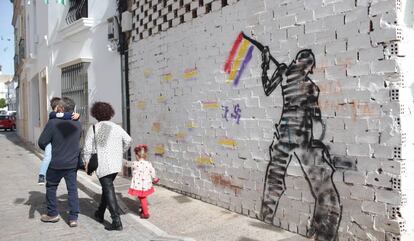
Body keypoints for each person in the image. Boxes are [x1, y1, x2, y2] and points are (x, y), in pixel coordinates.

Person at [83, 101, 131, 231]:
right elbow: (128, 140)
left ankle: (116, 220)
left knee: (108, 188)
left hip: (104, 164)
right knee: (107, 187)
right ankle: (99, 213)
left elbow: (88, 148)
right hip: (115, 164)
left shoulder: (96, 128)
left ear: (95, 114)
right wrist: (120, 151)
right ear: (110, 113)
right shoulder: (116, 127)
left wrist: (86, 162)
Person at [38, 97, 82, 227]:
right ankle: (73, 218)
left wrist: (50, 147)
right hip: (72, 163)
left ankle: (52, 214)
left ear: (61, 109)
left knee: (51, 187)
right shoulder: (78, 124)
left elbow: (42, 142)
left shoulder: (52, 123)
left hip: (56, 163)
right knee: (72, 190)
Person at [38, 97, 80, 185]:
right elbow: (64, 115)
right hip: (69, 161)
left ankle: (42, 175)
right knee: (47, 156)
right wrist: (75, 115)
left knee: (52, 187)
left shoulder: (57, 119)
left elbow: (41, 142)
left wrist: (76, 116)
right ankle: (41, 174)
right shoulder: (54, 115)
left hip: (57, 158)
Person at [127, 144, 159, 219]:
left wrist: (120, 160)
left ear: (137, 155)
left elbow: (127, 164)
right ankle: (143, 207)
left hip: (139, 185)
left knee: (142, 198)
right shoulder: (148, 163)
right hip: (146, 185)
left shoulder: (135, 163)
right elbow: (152, 171)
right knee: (143, 197)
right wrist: (155, 178)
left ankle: (145, 213)